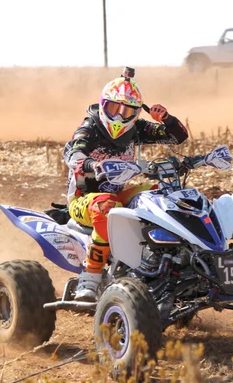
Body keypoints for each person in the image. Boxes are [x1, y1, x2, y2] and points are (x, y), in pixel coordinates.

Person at [63, 68, 189, 302]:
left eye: (128, 110)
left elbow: (178, 137)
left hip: (119, 194)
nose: (120, 116)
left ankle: (164, 264)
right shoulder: (89, 127)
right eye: (114, 108)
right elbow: (73, 154)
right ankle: (90, 277)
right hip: (83, 200)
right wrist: (93, 165)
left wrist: (166, 120)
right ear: (103, 104)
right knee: (105, 206)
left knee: (162, 195)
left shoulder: (137, 128)